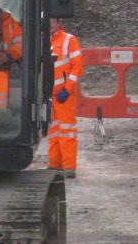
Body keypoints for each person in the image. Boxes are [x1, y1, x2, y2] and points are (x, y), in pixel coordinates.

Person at [48, 16, 84, 178]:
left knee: (67, 130)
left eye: (52, 21)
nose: (50, 24)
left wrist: (68, 89)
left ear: (59, 22)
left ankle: (69, 167)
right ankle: (54, 165)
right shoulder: (43, 40)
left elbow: (77, 66)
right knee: (54, 130)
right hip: (50, 94)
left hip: (64, 94)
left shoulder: (69, 40)